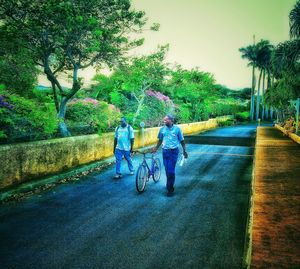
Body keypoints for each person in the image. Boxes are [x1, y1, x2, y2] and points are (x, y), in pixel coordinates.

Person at [152, 114, 188, 196]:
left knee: (171, 171)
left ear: (171, 121)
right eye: (164, 120)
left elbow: (182, 141)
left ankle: (170, 189)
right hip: (165, 152)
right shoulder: (162, 129)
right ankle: (169, 183)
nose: (164, 121)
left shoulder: (177, 129)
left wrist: (184, 151)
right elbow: (160, 140)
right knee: (167, 169)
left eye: (166, 120)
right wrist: (156, 148)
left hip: (174, 152)